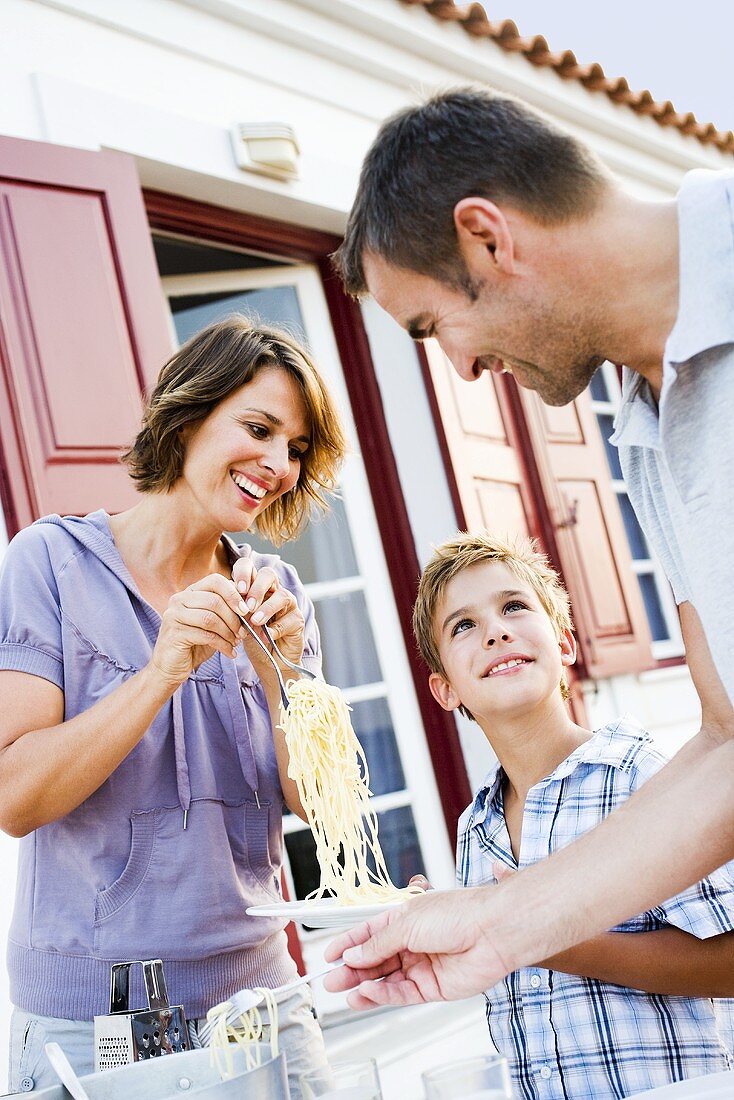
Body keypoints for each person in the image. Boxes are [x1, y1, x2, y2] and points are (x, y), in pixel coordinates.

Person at [324, 87, 734, 1010]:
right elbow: (727, 742)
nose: (461, 368)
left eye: (432, 328)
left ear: (488, 238)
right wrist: (498, 926)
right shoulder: (644, 430)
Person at [0, 316, 347, 1095]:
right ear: (188, 415)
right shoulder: (50, 565)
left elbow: (322, 809)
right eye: (258, 428)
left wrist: (279, 673)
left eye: (295, 449)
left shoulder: (278, 597)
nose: (278, 465)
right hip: (97, 1031)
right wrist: (160, 672)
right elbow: (15, 797)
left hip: (262, 1004)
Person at [416, 531, 734, 1097]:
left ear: (565, 643)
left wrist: (527, 932)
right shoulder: (475, 830)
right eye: (463, 625)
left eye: (514, 606)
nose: (495, 630)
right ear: (445, 691)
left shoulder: (639, 777)